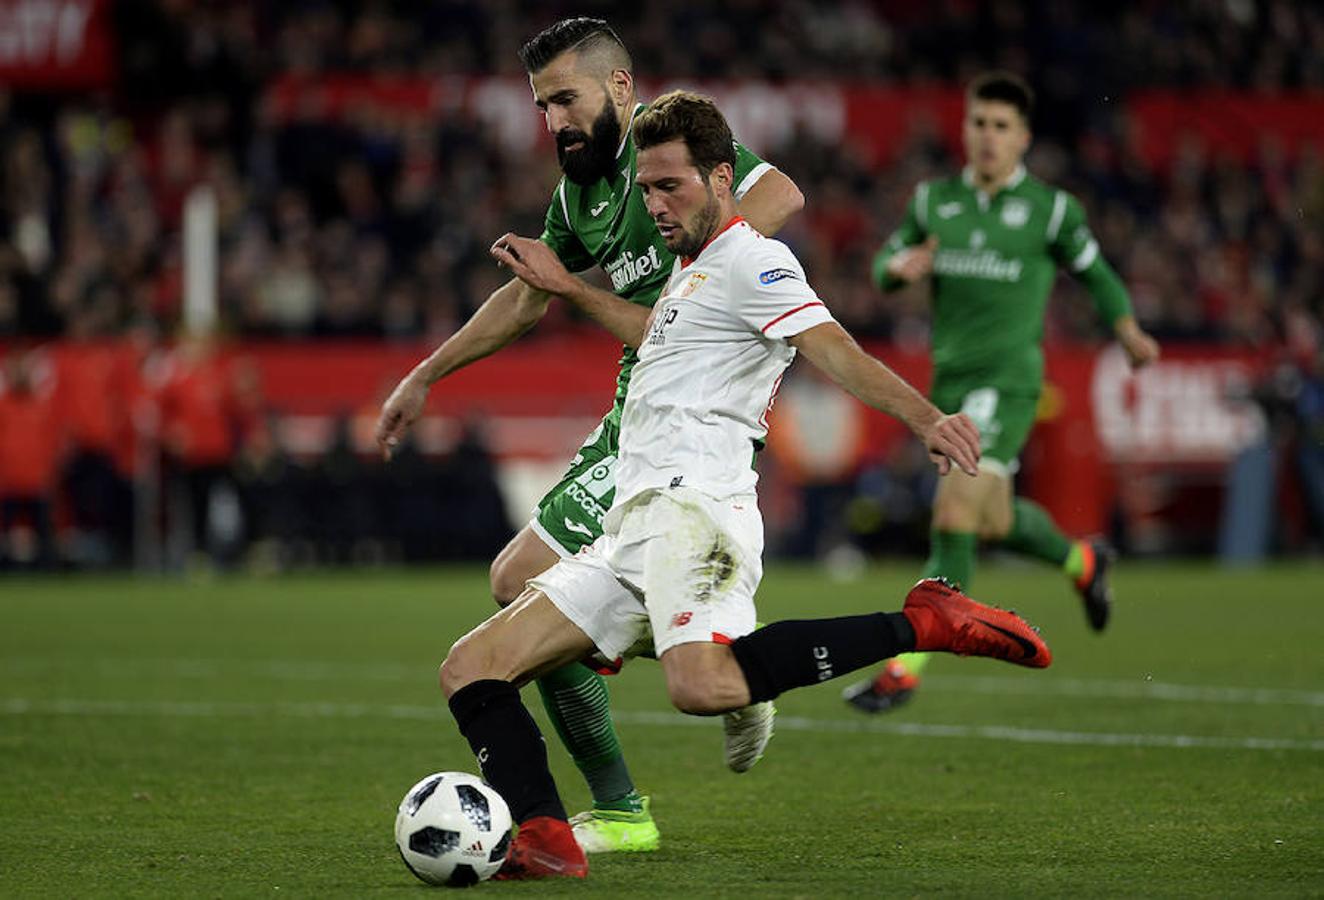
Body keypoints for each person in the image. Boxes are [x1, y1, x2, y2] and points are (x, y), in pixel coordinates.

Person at [442, 89, 1052, 881]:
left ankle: (925, 621)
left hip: (697, 514)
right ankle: (546, 837)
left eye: (673, 187)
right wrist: (570, 289)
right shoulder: (687, 276)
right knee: (471, 666)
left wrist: (927, 417)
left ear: (723, 178)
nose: (656, 206)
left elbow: (834, 350)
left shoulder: (750, 259)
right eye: (648, 189)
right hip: (631, 525)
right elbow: (648, 335)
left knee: (702, 687)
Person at [374, 18, 805, 854]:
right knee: (520, 583)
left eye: (566, 98)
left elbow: (779, 193)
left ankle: (628, 795)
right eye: (541, 106)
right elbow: (530, 294)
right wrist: (427, 372)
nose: (554, 121)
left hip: (686, 425)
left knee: (519, 579)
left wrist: (707, 281)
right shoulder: (579, 196)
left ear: (617, 87)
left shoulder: (670, 156)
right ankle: (714, 671)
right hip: (628, 419)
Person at [843, 72, 1161, 714]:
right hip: (949, 385)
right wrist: (896, 270)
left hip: (1008, 383)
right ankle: (1082, 563)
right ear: (964, 130)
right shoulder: (935, 202)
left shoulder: (1050, 209)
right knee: (994, 519)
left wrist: (1126, 330)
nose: (987, 137)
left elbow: (1096, 274)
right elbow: (884, 264)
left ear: (1023, 138)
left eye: (1000, 127)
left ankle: (905, 666)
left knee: (955, 515)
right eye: (978, 123)